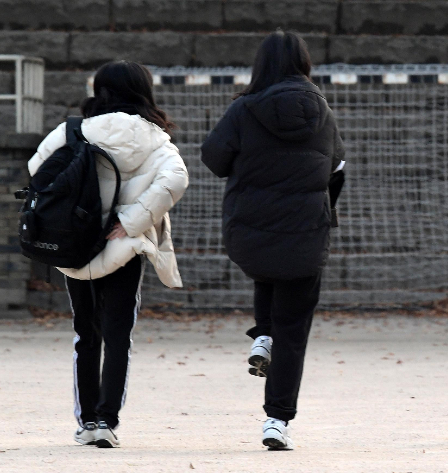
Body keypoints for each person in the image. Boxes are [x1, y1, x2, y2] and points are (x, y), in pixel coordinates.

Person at [27, 61, 189, 448]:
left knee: (86, 334)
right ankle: (107, 421)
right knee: (118, 336)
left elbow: (36, 170)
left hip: (76, 245)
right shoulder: (155, 139)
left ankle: (86, 422)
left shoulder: (74, 131)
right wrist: (131, 221)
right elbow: (176, 178)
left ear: (99, 91)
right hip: (124, 248)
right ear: (143, 92)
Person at [201, 30, 345, 450]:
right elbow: (337, 168)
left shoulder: (243, 110)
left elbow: (213, 159)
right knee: (293, 331)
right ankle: (276, 422)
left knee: (267, 266)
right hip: (305, 231)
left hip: (250, 227)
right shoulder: (323, 112)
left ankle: (263, 334)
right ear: (305, 63)